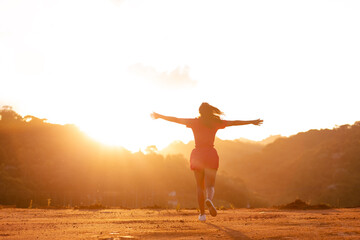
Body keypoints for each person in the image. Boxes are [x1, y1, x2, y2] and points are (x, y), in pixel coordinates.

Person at [151, 102, 263, 221]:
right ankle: (209, 199)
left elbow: (176, 119)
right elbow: (234, 122)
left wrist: (159, 116)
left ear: (200, 112)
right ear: (210, 111)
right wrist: (252, 121)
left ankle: (202, 215)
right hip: (210, 155)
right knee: (210, 185)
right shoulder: (215, 123)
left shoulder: (194, 122)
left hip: (197, 155)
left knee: (200, 187)